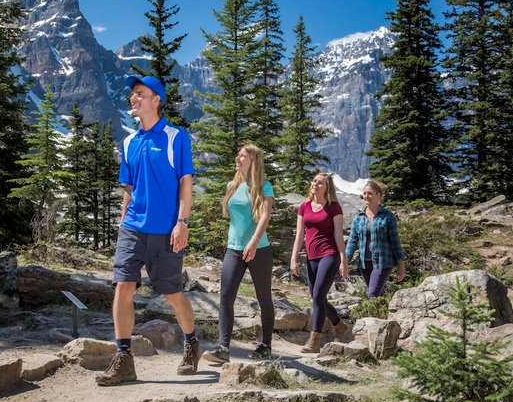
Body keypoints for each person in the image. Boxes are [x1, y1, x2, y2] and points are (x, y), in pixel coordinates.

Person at [96, 75, 200, 386]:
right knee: (123, 287)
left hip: (166, 231)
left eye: (140, 94)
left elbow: (186, 183)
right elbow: (129, 187)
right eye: (132, 94)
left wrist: (182, 222)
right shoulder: (129, 142)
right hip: (132, 228)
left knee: (171, 293)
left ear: (157, 100)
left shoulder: (175, 137)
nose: (134, 98)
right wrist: (123, 219)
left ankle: (192, 342)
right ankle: (124, 358)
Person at [202, 145, 275, 363]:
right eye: (238, 154)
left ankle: (266, 345)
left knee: (264, 298)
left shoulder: (264, 186)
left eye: (242, 155)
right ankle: (223, 347)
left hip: (259, 249)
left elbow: (265, 215)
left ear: (253, 160)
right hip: (234, 249)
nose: (238, 158)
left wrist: (253, 242)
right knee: (226, 296)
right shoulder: (231, 186)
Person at [290, 173, 351, 353]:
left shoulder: (334, 208)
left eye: (320, 182)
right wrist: (294, 259)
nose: (315, 184)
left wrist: (343, 261)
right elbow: (299, 235)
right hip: (311, 257)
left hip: (329, 255)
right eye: (314, 181)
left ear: (327, 187)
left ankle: (314, 340)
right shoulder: (304, 207)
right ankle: (340, 326)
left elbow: (339, 236)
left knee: (317, 296)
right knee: (319, 298)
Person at [345, 180, 405, 300]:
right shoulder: (359, 218)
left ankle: (368, 317)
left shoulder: (387, 216)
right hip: (364, 263)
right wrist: (345, 262)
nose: (366, 196)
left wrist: (401, 265)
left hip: (383, 262)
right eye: (365, 193)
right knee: (377, 294)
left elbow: (395, 241)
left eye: (370, 193)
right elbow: (352, 241)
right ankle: (383, 315)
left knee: (372, 295)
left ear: (378, 195)